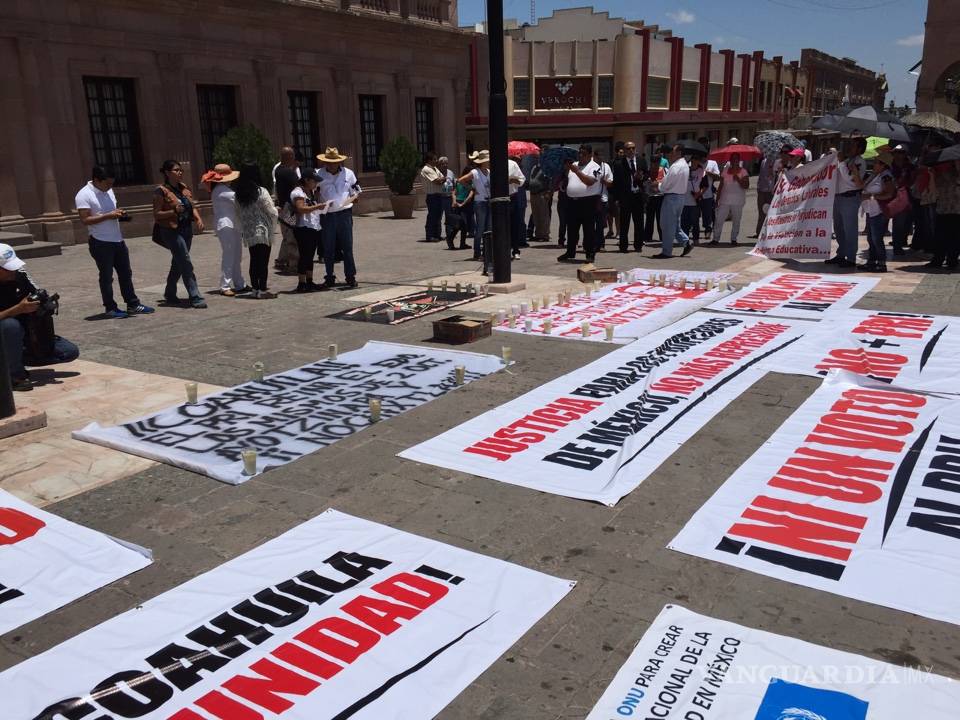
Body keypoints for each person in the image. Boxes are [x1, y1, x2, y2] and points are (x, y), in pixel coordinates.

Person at [75, 166, 153, 318]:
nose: (110, 187)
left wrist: (119, 214)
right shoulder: (84, 195)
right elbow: (85, 220)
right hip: (100, 242)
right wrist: (108, 216)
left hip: (117, 239)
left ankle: (133, 304)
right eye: (107, 184)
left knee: (126, 273)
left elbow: (111, 210)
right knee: (106, 276)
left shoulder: (108, 190)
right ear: (97, 180)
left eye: (112, 184)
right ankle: (110, 307)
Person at [0, 244, 79, 391]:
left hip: (21, 333)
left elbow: (38, 293)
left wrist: (44, 305)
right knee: (10, 325)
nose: (14, 270)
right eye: (8, 268)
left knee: (69, 352)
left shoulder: (20, 274)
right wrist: (17, 309)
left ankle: (13, 359)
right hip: (7, 330)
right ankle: (15, 376)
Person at [153, 160, 206, 308]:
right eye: (176, 170)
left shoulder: (184, 188)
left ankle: (169, 293)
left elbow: (191, 206)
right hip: (171, 231)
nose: (180, 172)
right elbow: (157, 214)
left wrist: (198, 218)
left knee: (178, 262)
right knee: (185, 261)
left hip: (186, 229)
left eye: (181, 170)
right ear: (167, 173)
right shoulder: (161, 191)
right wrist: (173, 211)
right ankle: (195, 295)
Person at [316, 147, 361, 288]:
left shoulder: (349, 174)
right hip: (327, 215)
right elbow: (313, 191)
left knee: (347, 247)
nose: (331, 165)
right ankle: (329, 276)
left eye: (334, 162)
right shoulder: (318, 174)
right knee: (328, 248)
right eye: (328, 162)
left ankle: (350, 276)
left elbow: (356, 191)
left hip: (344, 214)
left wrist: (354, 198)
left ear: (339, 162)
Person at [233, 163, 279, 299]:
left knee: (254, 260)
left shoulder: (238, 194)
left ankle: (255, 289)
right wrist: (275, 220)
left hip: (249, 231)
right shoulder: (261, 191)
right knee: (263, 261)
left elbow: (237, 214)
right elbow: (271, 211)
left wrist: (243, 227)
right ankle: (263, 290)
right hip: (263, 230)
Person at [202, 163, 246, 297]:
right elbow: (241, 201)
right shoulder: (222, 190)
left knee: (236, 255)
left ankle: (239, 283)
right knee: (229, 255)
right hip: (226, 225)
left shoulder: (223, 189)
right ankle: (225, 285)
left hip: (233, 224)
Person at [557, 145, 601, 263]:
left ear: (590, 155)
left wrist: (577, 171)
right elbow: (570, 180)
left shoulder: (594, 166)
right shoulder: (574, 165)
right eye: (580, 153)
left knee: (589, 229)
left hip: (588, 202)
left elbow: (590, 182)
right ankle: (570, 251)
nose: (581, 155)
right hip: (572, 202)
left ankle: (590, 253)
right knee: (571, 228)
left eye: (584, 153)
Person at [290, 170, 331, 292]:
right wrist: (318, 206)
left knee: (310, 256)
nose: (316, 183)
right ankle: (301, 283)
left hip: (313, 227)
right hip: (303, 228)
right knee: (304, 256)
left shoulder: (311, 192)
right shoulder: (298, 192)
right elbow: (301, 208)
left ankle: (309, 281)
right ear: (307, 180)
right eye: (314, 181)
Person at [828, 138, 866, 268]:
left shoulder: (860, 162)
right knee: (839, 228)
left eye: (853, 145)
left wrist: (842, 162)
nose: (850, 148)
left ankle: (850, 257)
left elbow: (850, 180)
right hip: (838, 197)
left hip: (849, 198)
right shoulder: (847, 160)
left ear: (860, 149)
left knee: (849, 229)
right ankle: (841, 253)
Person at [652, 144, 693, 259]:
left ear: (679, 152)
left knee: (667, 225)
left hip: (672, 197)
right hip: (680, 197)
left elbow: (666, 184)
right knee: (674, 224)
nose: (670, 154)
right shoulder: (684, 164)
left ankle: (667, 251)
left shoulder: (676, 166)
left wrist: (657, 185)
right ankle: (686, 242)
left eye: (672, 152)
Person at [859, 151, 897, 273]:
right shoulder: (876, 175)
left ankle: (881, 263)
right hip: (871, 211)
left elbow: (889, 193)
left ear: (883, 165)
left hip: (879, 212)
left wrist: (872, 196)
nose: (874, 165)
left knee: (877, 239)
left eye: (876, 163)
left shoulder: (886, 176)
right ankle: (872, 261)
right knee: (871, 238)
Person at [613, 141, 647, 253]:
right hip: (625, 197)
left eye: (633, 148)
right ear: (625, 150)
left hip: (638, 195)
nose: (631, 150)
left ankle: (638, 245)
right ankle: (623, 246)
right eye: (628, 149)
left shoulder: (641, 161)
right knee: (624, 222)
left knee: (639, 222)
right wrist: (617, 198)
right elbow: (616, 183)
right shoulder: (619, 164)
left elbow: (647, 175)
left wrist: (642, 177)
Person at [457, 150, 491, 261]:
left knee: (488, 228)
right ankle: (477, 252)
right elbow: (461, 180)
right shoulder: (475, 172)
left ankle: (487, 251)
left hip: (488, 201)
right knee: (480, 228)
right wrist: (472, 189)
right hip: (480, 202)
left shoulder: (489, 171)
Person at [927, 157, 960, 271]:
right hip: (943, 209)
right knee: (940, 237)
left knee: (955, 238)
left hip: (957, 211)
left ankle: (952, 261)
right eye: (956, 161)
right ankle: (937, 259)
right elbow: (933, 191)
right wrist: (931, 175)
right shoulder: (944, 174)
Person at [710, 153, 750, 246]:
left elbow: (746, 186)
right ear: (730, 160)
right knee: (719, 219)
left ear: (739, 160)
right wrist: (717, 200)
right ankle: (716, 238)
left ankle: (733, 239)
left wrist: (738, 179)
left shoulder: (743, 171)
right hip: (724, 200)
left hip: (738, 201)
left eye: (736, 159)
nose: (734, 160)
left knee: (736, 220)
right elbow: (721, 186)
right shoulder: (725, 171)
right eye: (733, 159)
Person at [273, 147, 301, 275]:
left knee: (286, 235)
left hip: (283, 207)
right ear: (289, 157)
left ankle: (281, 260)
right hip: (289, 208)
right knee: (292, 236)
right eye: (293, 156)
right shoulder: (288, 173)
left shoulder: (278, 170)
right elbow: (298, 187)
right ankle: (294, 265)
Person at [889, 145, 915, 256]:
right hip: (890, 197)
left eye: (902, 152)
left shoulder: (910, 167)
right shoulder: (889, 166)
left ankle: (898, 245)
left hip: (905, 197)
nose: (899, 154)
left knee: (901, 223)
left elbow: (913, 181)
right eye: (897, 152)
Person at [642, 145, 669, 246]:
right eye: (652, 163)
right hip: (650, 198)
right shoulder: (648, 172)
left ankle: (662, 236)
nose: (654, 165)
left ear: (659, 162)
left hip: (661, 197)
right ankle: (647, 236)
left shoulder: (664, 171)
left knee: (660, 218)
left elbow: (668, 183)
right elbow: (643, 183)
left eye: (656, 163)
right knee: (649, 217)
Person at [420, 152, 446, 242]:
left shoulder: (435, 168)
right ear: (429, 160)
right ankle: (430, 235)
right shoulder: (426, 169)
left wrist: (442, 179)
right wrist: (441, 180)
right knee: (432, 216)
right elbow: (437, 180)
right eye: (434, 159)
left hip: (439, 194)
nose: (436, 161)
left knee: (439, 216)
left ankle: (437, 235)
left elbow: (443, 178)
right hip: (432, 196)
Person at [751, 152, 777, 238]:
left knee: (769, 212)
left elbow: (775, 176)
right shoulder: (763, 161)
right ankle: (758, 232)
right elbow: (761, 175)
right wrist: (758, 187)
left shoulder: (776, 162)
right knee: (761, 212)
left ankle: (768, 232)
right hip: (762, 189)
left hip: (771, 191)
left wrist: (772, 170)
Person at [592, 148, 614, 251]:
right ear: (594, 156)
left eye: (602, 156)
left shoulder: (606, 167)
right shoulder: (590, 166)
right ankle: (590, 243)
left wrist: (603, 181)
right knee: (590, 223)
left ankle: (601, 244)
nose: (601, 158)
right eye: (598, 156)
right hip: (590, 198)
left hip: (603, 198)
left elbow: (610, 183)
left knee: (600, 223)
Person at [681, 155, 705, 245]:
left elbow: (705, 185)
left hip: (695, 201)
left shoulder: (701, 171)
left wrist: (699, 194)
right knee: (684, 222)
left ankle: (695, 239)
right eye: (693, 160)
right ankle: (685, 240)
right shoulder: (685, 170)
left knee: (695, 222)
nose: (694, 162)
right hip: (684, 200)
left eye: (696, 160)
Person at [448, 166, 474, 250]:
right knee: (459, 224)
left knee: (464, 225)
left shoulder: (472, 183)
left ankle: (462, 243)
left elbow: (470, 196)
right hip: (459, 204)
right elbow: (454, 192)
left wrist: (462, 204)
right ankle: (450, 239)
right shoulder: (459, 182)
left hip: (466, 205)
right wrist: (454, 201)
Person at [507, 150, 526, 258]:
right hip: (498, 199)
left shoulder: (512, 164)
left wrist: (514, 180)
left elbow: (522, 180)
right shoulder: (491, 165)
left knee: (514, 225)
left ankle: (515, 250)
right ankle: (503, 249)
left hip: (512, 197)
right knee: (501, 226)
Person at [700, 156, 720, 240]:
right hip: (695, 193)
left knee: (707, 213)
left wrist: (708, 173)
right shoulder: (694, 163)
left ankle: (708, 230)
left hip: (708, 193)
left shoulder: (712, 163)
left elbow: (718, 177)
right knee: (696, 214)